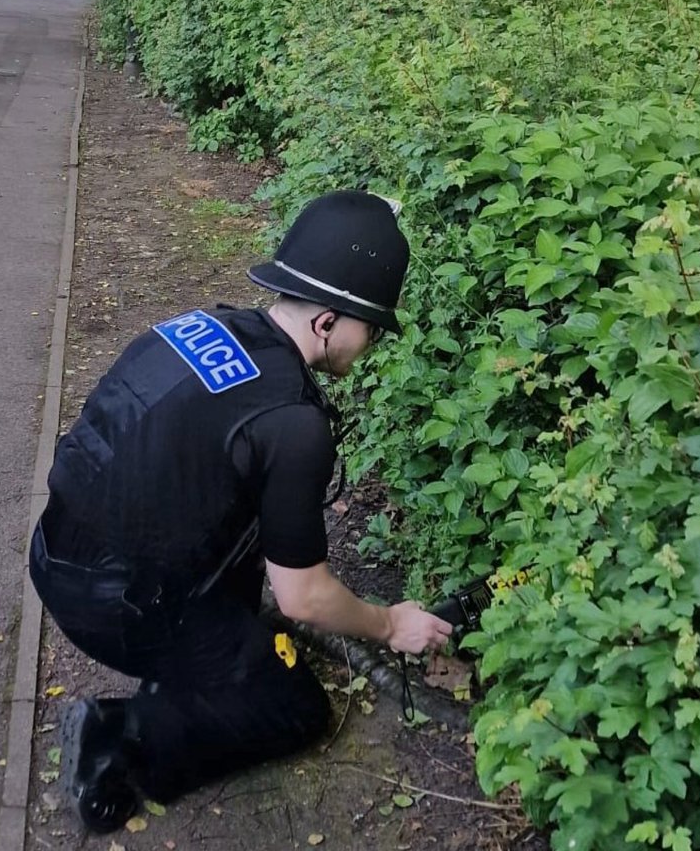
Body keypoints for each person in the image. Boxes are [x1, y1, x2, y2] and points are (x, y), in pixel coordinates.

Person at [29, 190, 452, 833]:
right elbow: (304, 597)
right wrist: (390, 623)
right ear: (328, 322)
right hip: (114, 606)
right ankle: (118, 739)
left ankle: (193, 655)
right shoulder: (292, 421)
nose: (371, 344)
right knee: (293, 706)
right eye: (371, 327)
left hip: (57, 551)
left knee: (244, 594)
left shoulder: (203, 326)